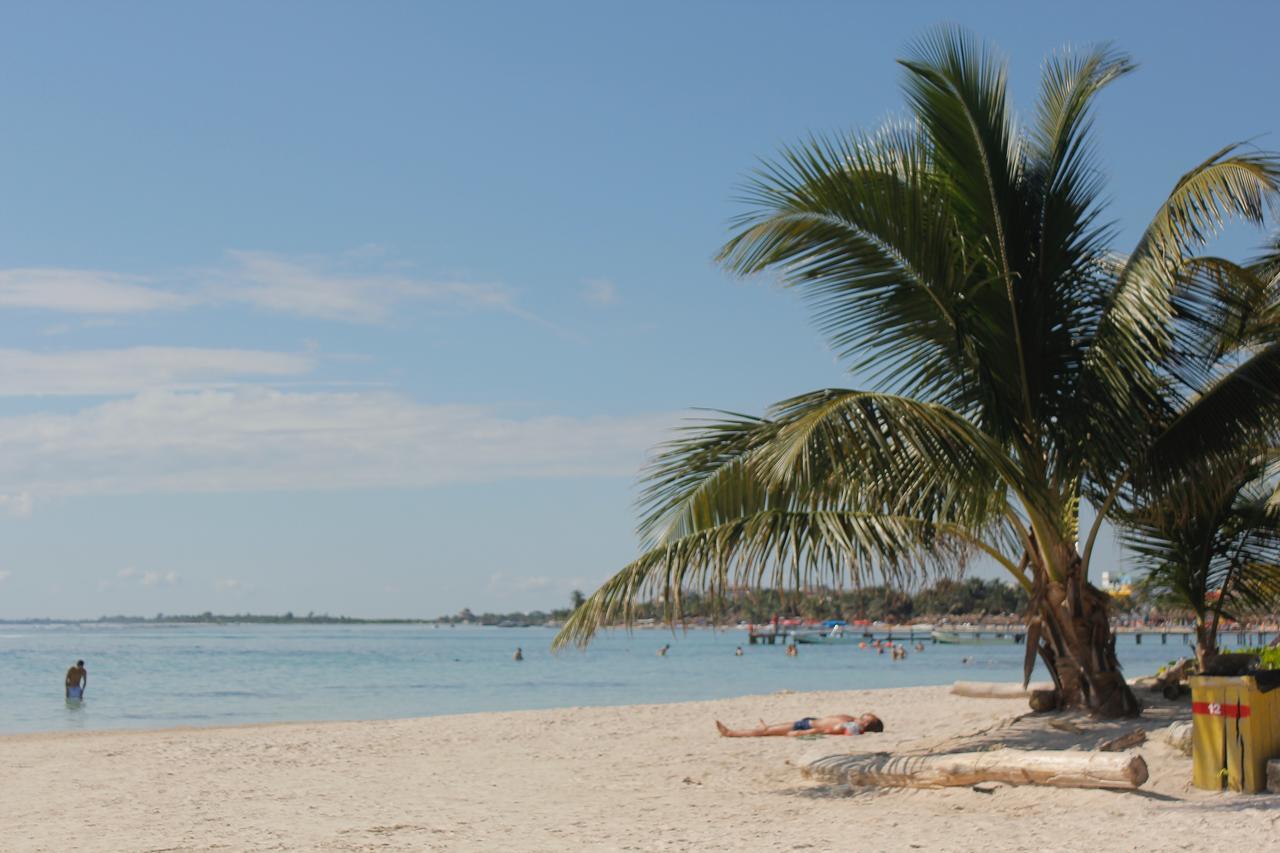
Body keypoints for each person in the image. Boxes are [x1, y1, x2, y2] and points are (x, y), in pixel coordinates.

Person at [716, 713, 883, 737]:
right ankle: (763, 728)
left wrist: (804, 733)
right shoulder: (852, 721)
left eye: (864, 717)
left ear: (867, 723)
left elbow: (826, 730)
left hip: (804, 726)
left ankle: (731, 733)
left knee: (767, 732)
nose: (860, 716)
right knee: (769, 729)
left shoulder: (851, 726)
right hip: (808, 720)